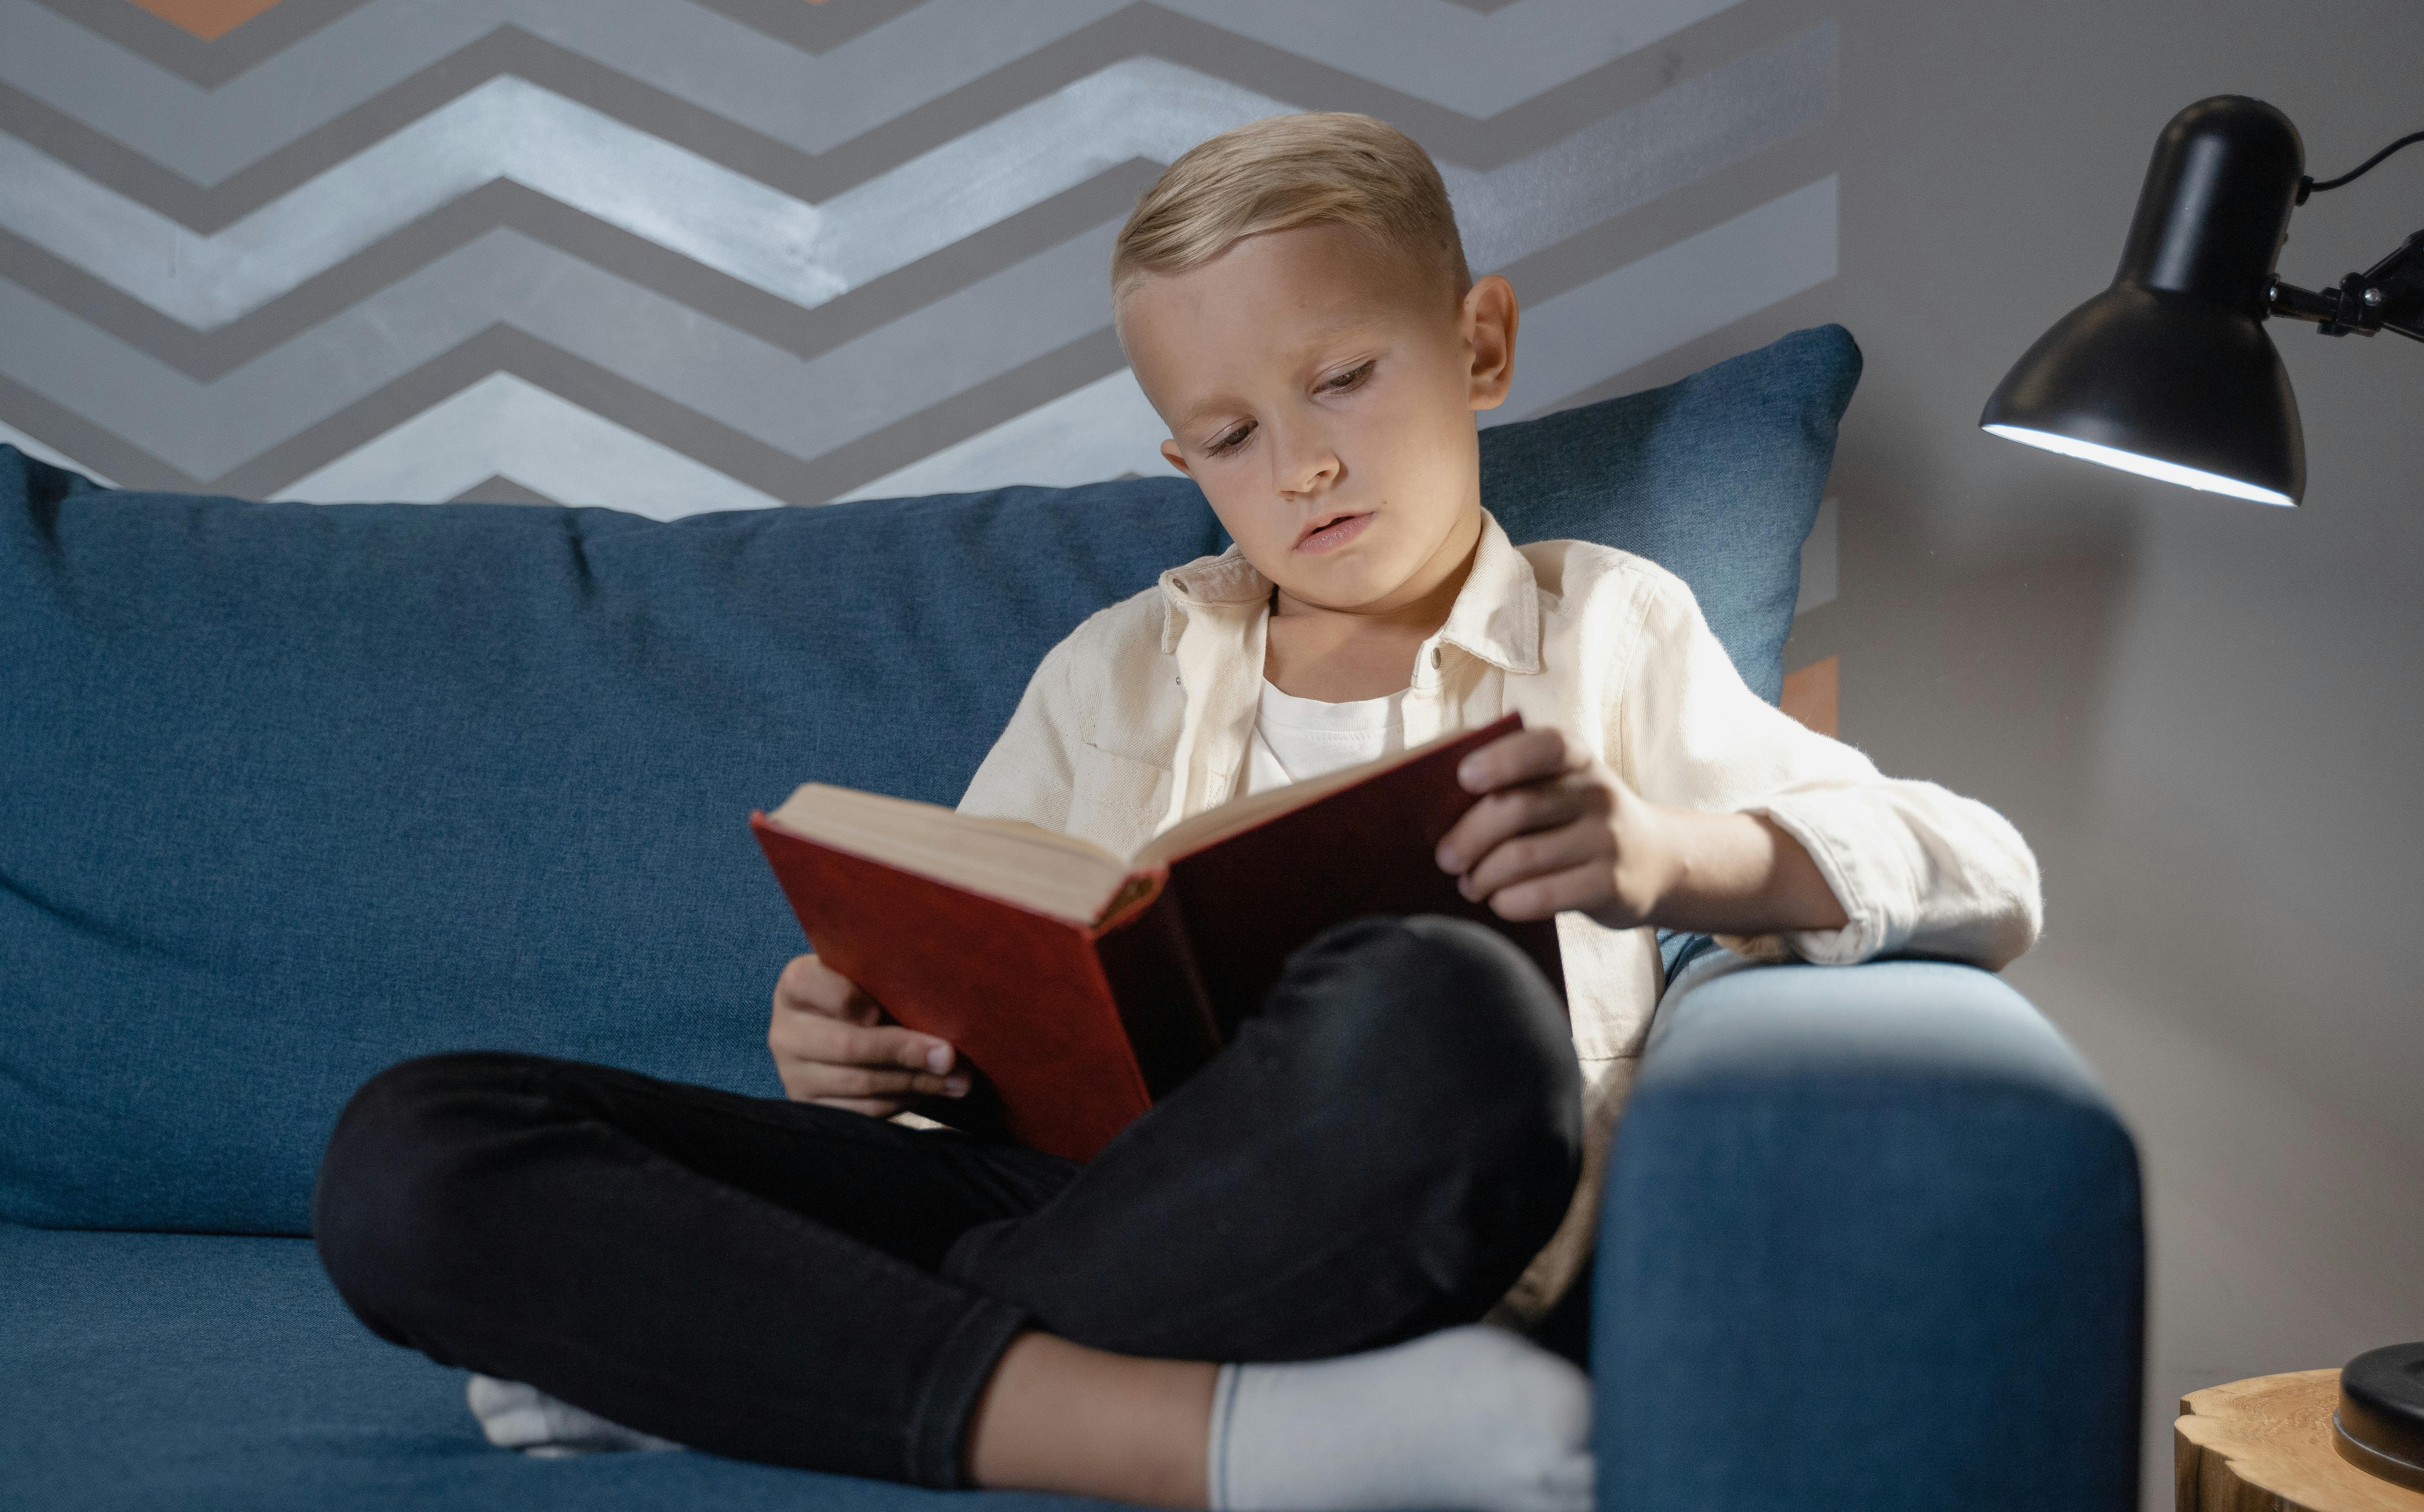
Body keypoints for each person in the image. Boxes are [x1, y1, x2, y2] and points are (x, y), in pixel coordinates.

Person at [312, 114, 2040, 1512]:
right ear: (1181, 464)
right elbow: (977, 965)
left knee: (1447, 1006)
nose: (1299, 464)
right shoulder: (1116, 666)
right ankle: (1122, 1416)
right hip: (1043, 1185)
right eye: (1225, 431)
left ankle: (759, 1354)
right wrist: (850, 1031)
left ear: (1482, 343)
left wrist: (1677, 855)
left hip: (1357, 1190)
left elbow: (1983, 862)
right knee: (413, 1147)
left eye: (1344, 379)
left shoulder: (1613, 630)